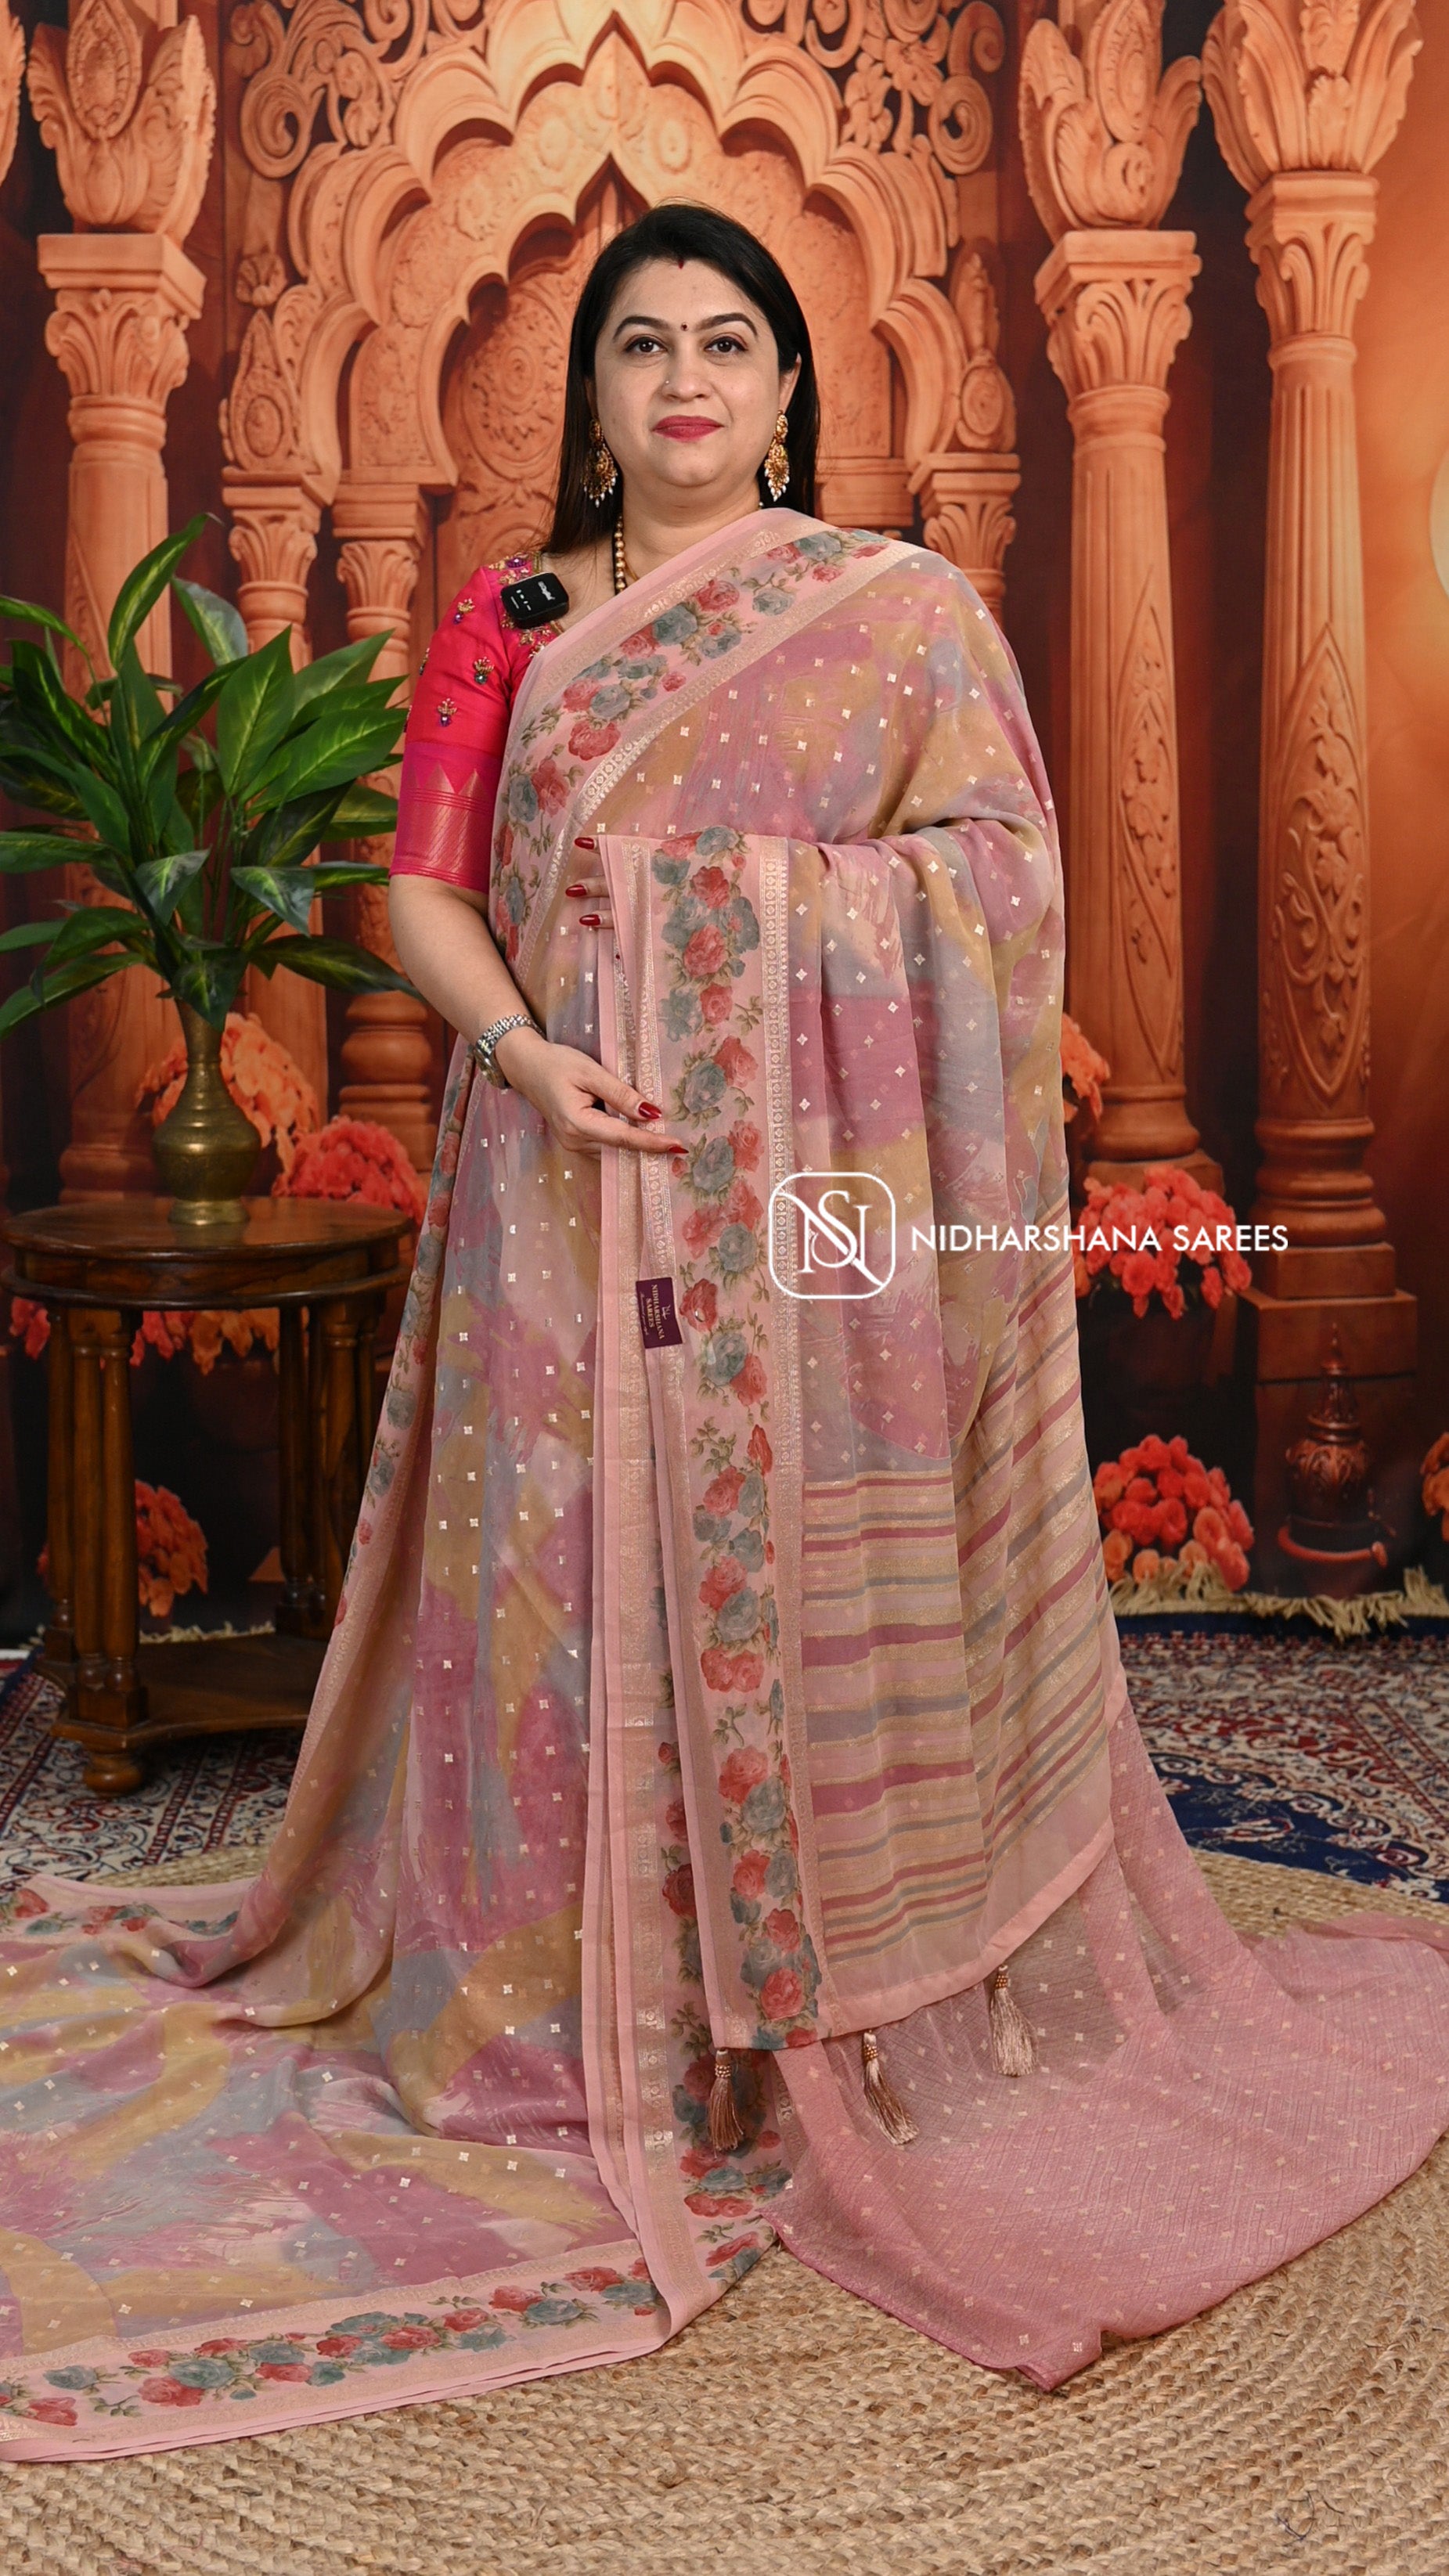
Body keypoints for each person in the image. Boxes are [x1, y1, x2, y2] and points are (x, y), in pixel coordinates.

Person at [4, 203, 1449, 2464]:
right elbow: (421, 886)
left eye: (728, 343)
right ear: (589, 394)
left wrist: (726, 926)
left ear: (787, 388)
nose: (685, 378)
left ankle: (814, 1986)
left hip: (822, 1209)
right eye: (643, 344)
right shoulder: (508, 623)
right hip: (565, 1176)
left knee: (808, 1550)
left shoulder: (899, 610)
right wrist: (520, 1053)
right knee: (564, 1590)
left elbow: (1003, 878)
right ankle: (572, 2001)